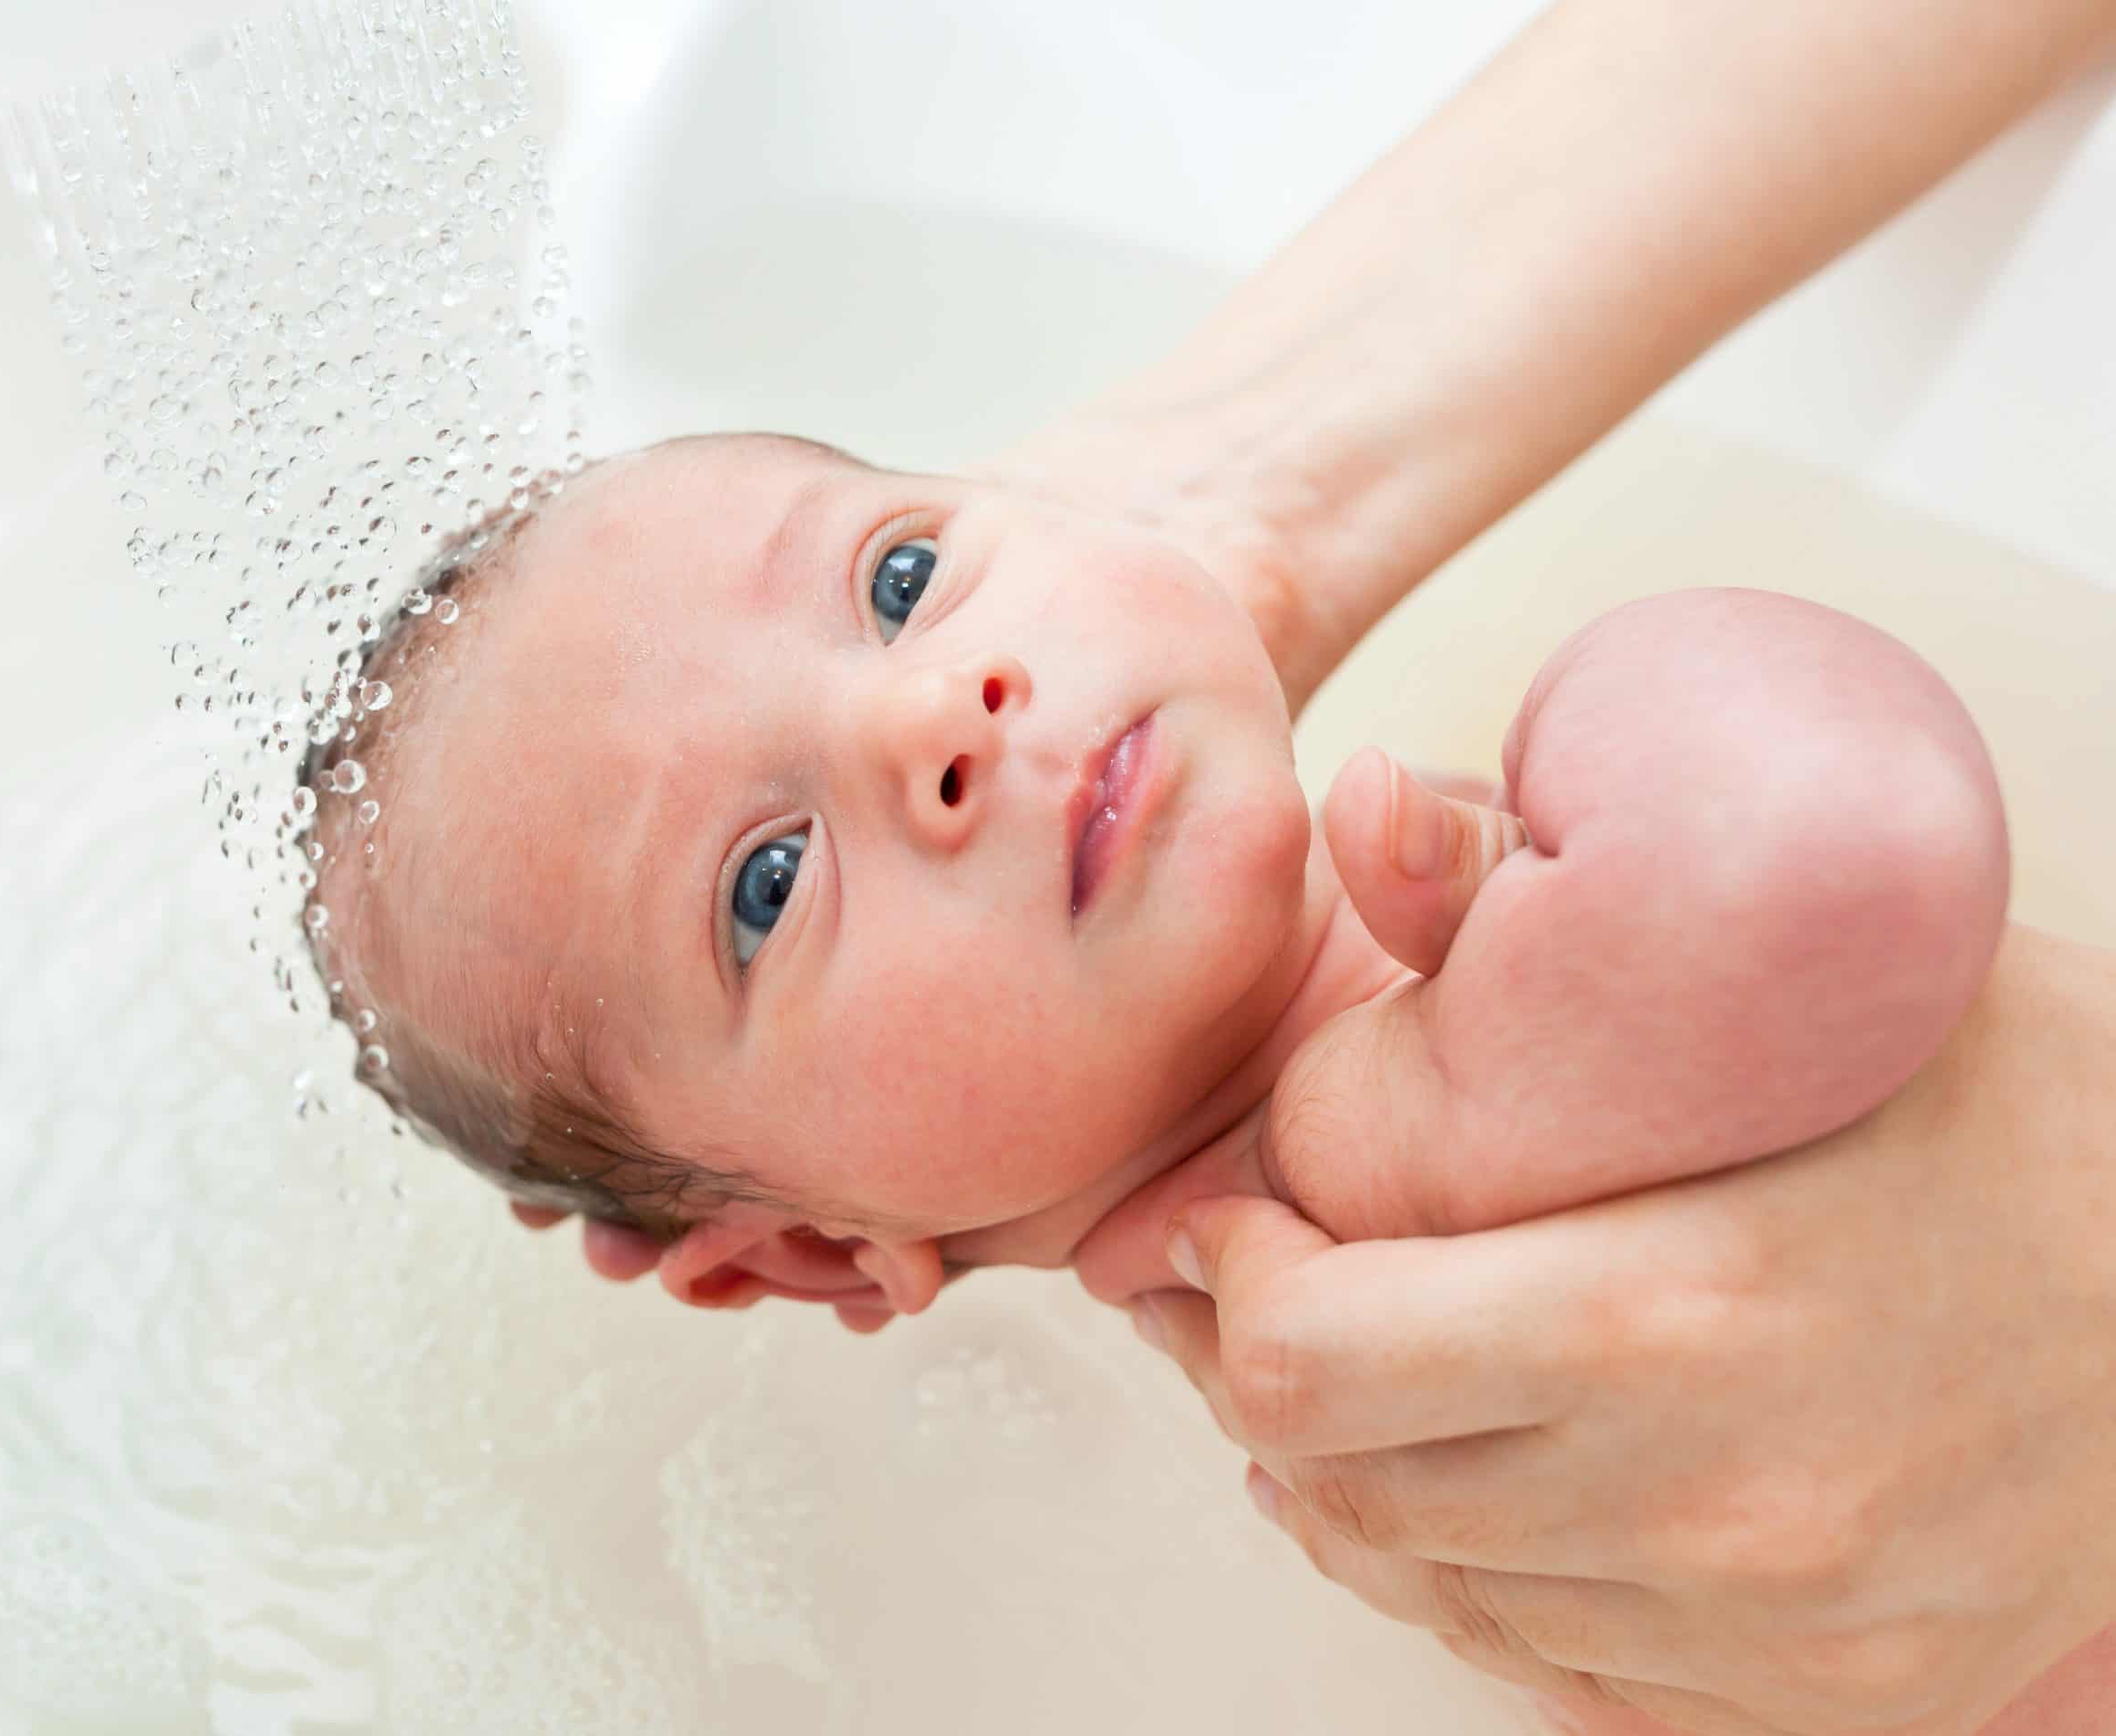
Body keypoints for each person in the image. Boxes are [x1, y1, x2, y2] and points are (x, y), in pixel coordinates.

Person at [541, 0, 2116, 1731]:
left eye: (901, 582)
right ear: (817, 1257)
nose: (935, 713)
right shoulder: (1424, 1148)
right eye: (766, 884)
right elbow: (1858, 857)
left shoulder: (1349, 1387)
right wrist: (1614, 714)